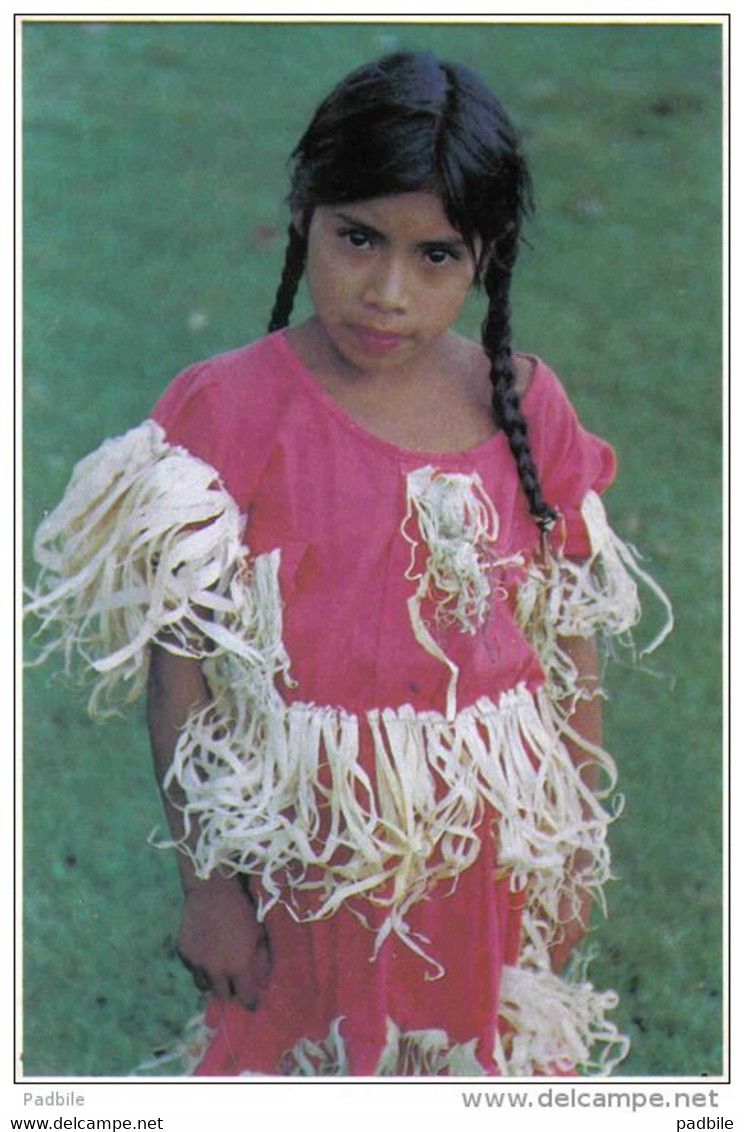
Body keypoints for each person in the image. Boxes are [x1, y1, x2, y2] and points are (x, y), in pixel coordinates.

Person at [25, 50, 672, 1077]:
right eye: (358, 238)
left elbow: (570, 647)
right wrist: (208, 885)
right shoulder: (229, 411)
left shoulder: (524, 406)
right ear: (303, 212)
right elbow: (179, 675)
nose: (385, 291)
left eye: (435, 256)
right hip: (310, 863)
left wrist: (569, 854)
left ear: (486, 257)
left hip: (478, 861)